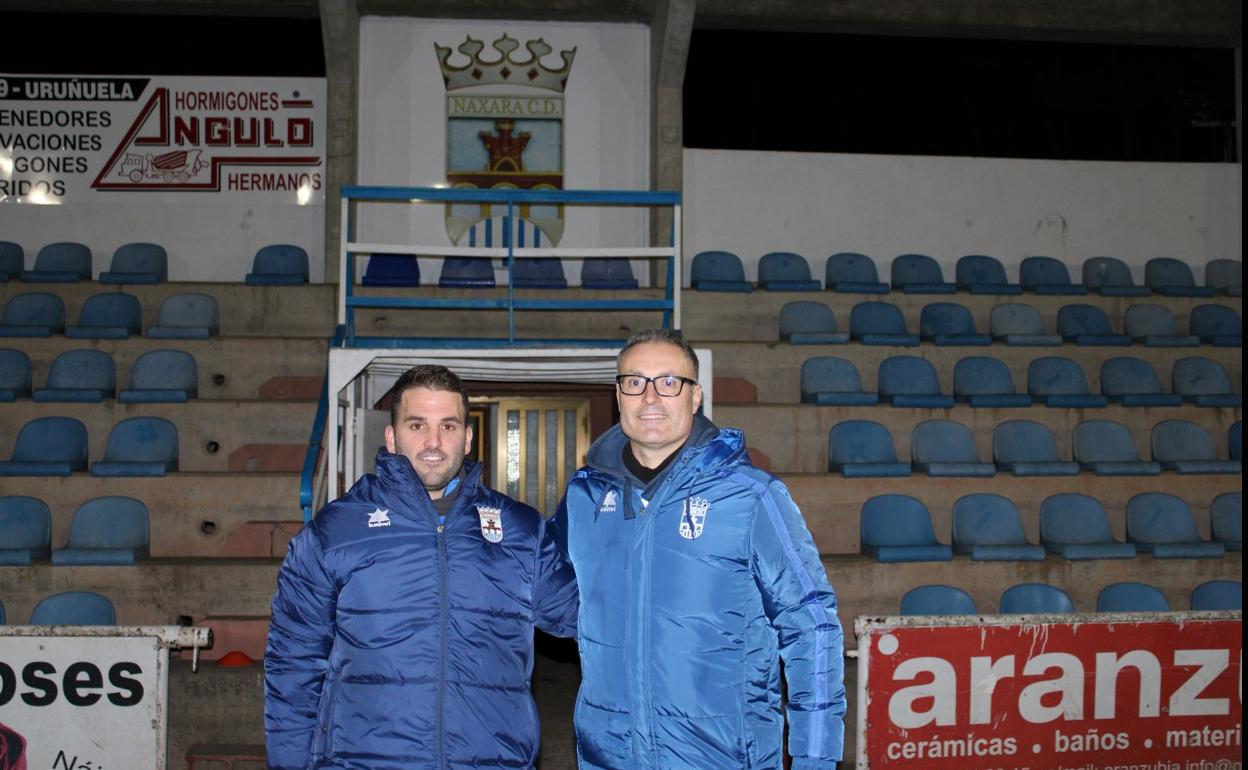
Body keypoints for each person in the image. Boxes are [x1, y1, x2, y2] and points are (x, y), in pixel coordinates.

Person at [556, 329, 845, 769]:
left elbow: (812, 628)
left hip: (721, 757)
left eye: (669, 382)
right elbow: (537, 589)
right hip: (610, 757)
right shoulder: (584, 498)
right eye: (635, 381)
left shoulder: (751, 497)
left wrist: (815, 759)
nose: (650, 397)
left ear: (696, 397)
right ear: (618, 395)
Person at [265, 365, 578, 770]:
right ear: (392, 436)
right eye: (417, 425)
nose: (433, 441)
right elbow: (293, 664)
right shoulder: (335, 532)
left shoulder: (520, 529)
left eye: (448, 426)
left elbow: (590, 620)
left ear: (467, 438)